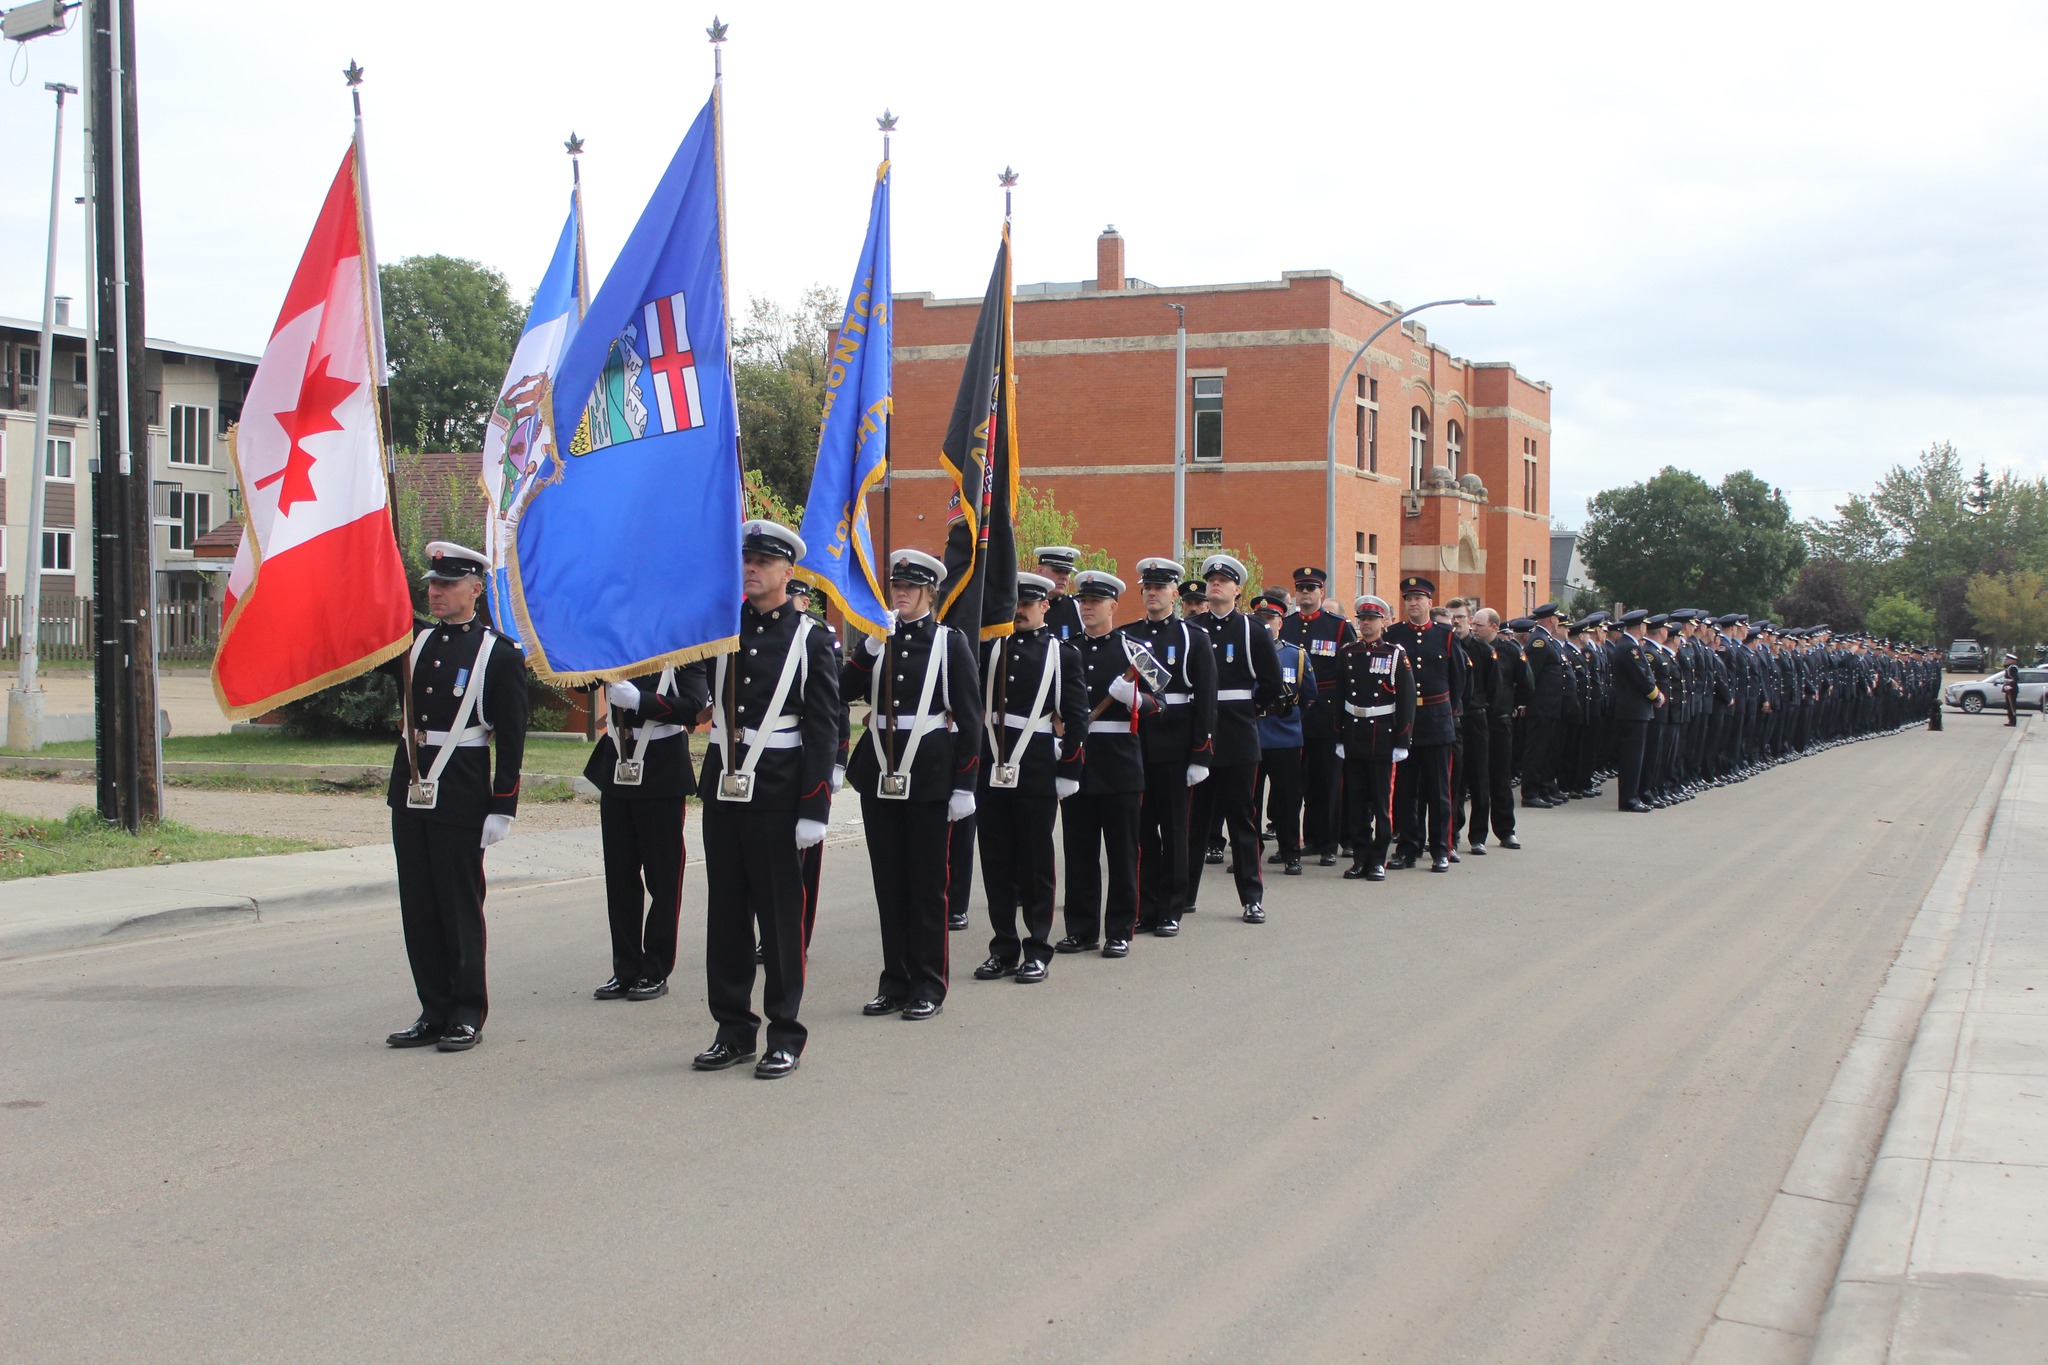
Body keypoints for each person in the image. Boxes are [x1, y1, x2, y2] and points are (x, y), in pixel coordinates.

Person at [689, 521, 843, 1078]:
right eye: (745, 559)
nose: (750, 569)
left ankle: (785, 1032)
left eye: (761, 561)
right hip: (725, 786)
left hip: (779, 790)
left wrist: (814, 807)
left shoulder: (810, 636)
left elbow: (824, 726)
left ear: (787, 571)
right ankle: (733, 1030)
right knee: (726, 918)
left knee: (780, 921)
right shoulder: (720, 627)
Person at [382, 542, 529, 1054]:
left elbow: (512, 737)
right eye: (432, 584)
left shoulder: (499, 654)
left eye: (447, 584)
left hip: (463, 790)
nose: (436, 592)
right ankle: (433, 1008)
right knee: (419, 907)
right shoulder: (412, 644)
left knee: (459, 906)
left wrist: (502, 805)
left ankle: (467, 1010)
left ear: (476, 588)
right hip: (412, 786)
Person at [841, 549, 982, 1021]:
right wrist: (868, 651)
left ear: (929, 593)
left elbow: (969, 715)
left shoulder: (949, 642)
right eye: (896, 586)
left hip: (928, 773)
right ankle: (894, 981)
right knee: (890, 884)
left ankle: (928, 983)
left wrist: (965, 784)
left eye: (909, 588)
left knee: (926, 885)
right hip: (880, 771)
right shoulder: (877, 640)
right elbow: (840, 690)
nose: (899, 594)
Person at [972, 572, 1089, 983]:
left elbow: (1077, 718)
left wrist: (1069, 770)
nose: (1019, 610)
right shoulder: (989, 648)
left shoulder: (1062, 654)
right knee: (996, 861)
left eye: (1028, 603)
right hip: (992, 762)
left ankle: (1037, 947)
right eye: (1015, 603)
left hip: (1036, 764)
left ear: (1045, 606)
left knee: (1036, 862)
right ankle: (1003, 946)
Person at [584, 644, 709, 1004]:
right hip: (616, 763)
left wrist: (641, 701)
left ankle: (655, 968)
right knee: (620, 876)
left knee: (663, 877)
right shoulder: (618, 643)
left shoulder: (682, 649)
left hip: (660, 769)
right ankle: (625, 967)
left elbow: (693, 708)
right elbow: (579, 682)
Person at [1055, 571, 1157, 957]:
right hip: (1077, 761)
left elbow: (1157, 703)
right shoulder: (1065, 650)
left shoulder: (1133, 650)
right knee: (1079, 851)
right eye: (1083, 602)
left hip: (1120, 765)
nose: (1088, 608)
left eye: (1096, 602)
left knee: (1122, 851)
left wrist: (1134, 698)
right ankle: (1081, 930)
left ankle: (1119, 930)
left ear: (1114, 606)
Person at [1185, 554, 1284, 922]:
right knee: (1193, 822)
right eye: (1211, 579)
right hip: (1198, 737)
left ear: (1238, 589)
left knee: (1242, 821)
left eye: (1223, 580)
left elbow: (1272, 687)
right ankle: (1184, 894)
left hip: (1238, 735)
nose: (1215, 584)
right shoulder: (1191, 628)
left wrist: (1247, 712)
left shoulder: (1253, 631)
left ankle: (1251, 898)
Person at [1123, 556, 1216, 935]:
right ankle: (1146, 906)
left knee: (1175, 831)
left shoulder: (1194, 637)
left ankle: (1172, 908)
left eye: (1159, 588)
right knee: (1142, 832)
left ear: (1174, 593)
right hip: (1137, 743)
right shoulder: (1128, 636)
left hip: (1176, 746)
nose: (1152, 594)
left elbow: (1206, 700)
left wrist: (1200, 754)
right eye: (1147, 588)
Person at [1385, 575, 1464, 873]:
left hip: (1437, 720)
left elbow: (1458, 681)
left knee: (1439, 790)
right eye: (1408, 599)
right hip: (1405, 723)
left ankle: (1441, 849)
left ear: (1430, 602)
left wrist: (1448, 710)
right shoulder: (1394, 635)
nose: (1413, 603)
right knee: (1405, 791)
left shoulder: (1445, 636)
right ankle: (1408, 847)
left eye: (1418, 599)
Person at [1279, 566, 1354, 866]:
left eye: (1311, 589)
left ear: (1322, 592)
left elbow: (1349, 671)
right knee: (1298, 782)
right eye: (1301, 589)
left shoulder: (1337, 626)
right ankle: (1307, 838)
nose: (1305, 594)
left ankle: (1329, 843)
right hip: (1292, 715)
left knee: (1328, 781)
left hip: (1327, 713)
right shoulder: (1286, 625)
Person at [1336, 595, 1415, 880]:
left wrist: (1403, 741)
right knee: (1356, 802)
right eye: (1362, 619)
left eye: (1372, 619)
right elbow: (1339, 696)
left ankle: (1379, 859)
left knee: (1382, 803)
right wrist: (1339, 737)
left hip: (1382, 734)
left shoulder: (1394, 654)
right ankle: (1360, 858)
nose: (1366, 624)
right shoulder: (1347, 653)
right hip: (1355, 732)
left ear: (1383, 622)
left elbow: (1406, 700)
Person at [1255, 590, 1309, 875]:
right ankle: (1250, 853)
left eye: (1271, 618)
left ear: (1280, 622)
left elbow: (1309, 696)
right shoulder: (1243, 653)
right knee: (1248, 802)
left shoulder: (1295, 655)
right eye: (1260, 618)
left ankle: (1291, 853)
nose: (1266, 623)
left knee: (1288, 801)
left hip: (1285, 735)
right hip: (1251, 734)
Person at [1449, 600, 1500, 854]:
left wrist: (1481, 707)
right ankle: (1453, 832)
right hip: (1453, 719)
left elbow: (1494, 686)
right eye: (1452, 617)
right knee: (1453, 780)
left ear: (1470, 620)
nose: (1456, 621)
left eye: (1460, 616)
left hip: (1476, 718)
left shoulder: (1483, 650)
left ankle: (1478, 835)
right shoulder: (1445, 646)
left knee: (1480, 778)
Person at [1473, 609, 1526, 850]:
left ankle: (1506, 831)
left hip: (1500, 720)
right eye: (1473, 623)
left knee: (1500, 777)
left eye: (1479, 624)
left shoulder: (1510, 650)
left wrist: (1515, 706)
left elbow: (1526, 682)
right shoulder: (1469, 648)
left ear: (1494, 626)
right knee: (1477, 780)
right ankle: (1477, 836)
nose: (1475, 628)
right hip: (1476, 721)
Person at [1609, 609, 1661, 812]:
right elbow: (1641, 678)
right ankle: (1629, 799)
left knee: (1636, 756)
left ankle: (1635, 795)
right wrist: (1656, 695)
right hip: (1632, 710)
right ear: (1640, 627)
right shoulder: (1629, 648)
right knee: (1632, 757)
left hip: (1635, 709)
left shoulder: (1629, 646)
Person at [1037, 546, 1083, 644]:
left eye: (1067, 572)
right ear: (1040, 571)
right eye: (1057, 570)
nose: (1063, 577)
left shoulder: (1077, 607)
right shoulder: (1025, 605)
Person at [2002, 653, 2020, 726]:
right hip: (2008, 687)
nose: (2005, 660)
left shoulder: (2013, 668)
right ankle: (2010, 720)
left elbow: (2016, 679)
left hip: (2011, 688)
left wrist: (2010, 685)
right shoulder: (2008, 667)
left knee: (2012, 706)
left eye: (2007, 659)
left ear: (2011, 660)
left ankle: (2013, 721)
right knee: (2008, 705)